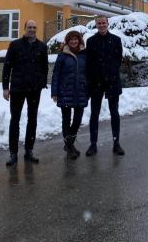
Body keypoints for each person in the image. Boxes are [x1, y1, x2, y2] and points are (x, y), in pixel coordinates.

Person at [2, 19, 48, 166]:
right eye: (29, 27)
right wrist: (5, 87)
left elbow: (44, 68)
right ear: (24, 28)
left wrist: (41, 84)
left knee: (32, 120)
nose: (32, 30)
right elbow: (7, 67)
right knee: (14, 120)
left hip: (34, 90)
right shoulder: (15, 45)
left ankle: (29, 151)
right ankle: (13, 153)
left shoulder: (42, 46)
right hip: (17, 88)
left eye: (34, 27)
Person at [85, 16, 125, 156]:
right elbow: (89, 63)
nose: (101, 25)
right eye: (99, 23)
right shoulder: (90, 41)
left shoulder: (116, 40)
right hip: (96, 83)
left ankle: (116, 143)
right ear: (96, 25)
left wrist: (110, 73)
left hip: (112, 82)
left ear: (108, 24)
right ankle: (93, 144)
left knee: (114, 113)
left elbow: (118, 60)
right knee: (94, 114)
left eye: (103, 23)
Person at [50, 30, 89, 159]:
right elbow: (56, 74)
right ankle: (70, 147)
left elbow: (89, 74)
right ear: (67, 41)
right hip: (65, 90)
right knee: (66, 120)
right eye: (71, 39)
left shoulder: (85, 54)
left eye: (76, 39)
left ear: (79, 40)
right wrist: (54, 92)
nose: (73, 41)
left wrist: (88, 89)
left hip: (80, 91)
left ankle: (69, 144)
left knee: (77, 120)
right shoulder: (62, 55)